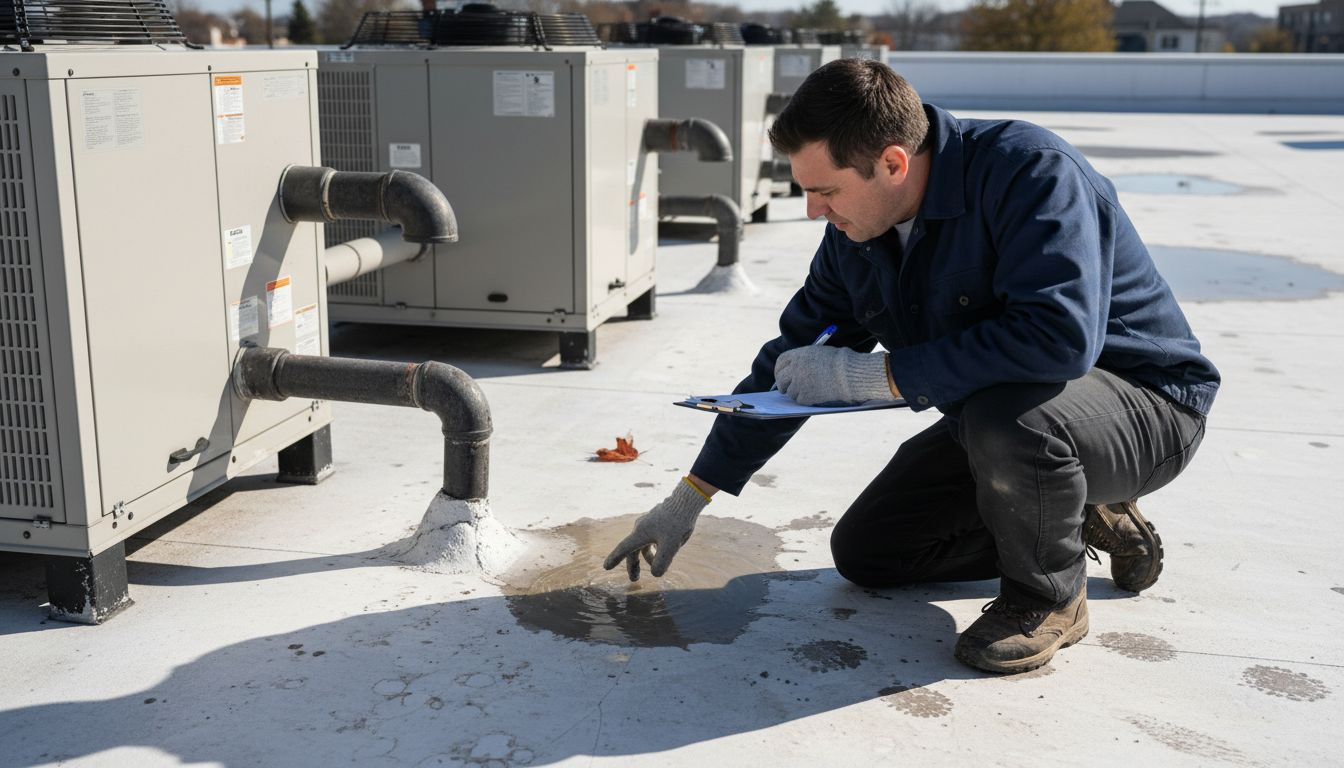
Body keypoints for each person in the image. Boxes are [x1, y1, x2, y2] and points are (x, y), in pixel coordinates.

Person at [603, 59, 1218, 674]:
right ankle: (1073, 511)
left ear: (893, 163)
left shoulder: (1028, 172)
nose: (815, 210)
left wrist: (877, 378)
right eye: (806, 190)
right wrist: (692, 494)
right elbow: (788, 365)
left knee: (1010, 422)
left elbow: (1058, 338)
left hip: (1145, 407)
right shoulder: (857, 236)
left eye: (827, 190)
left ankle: (1048, 598)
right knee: (871, 553)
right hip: (1003, 420)